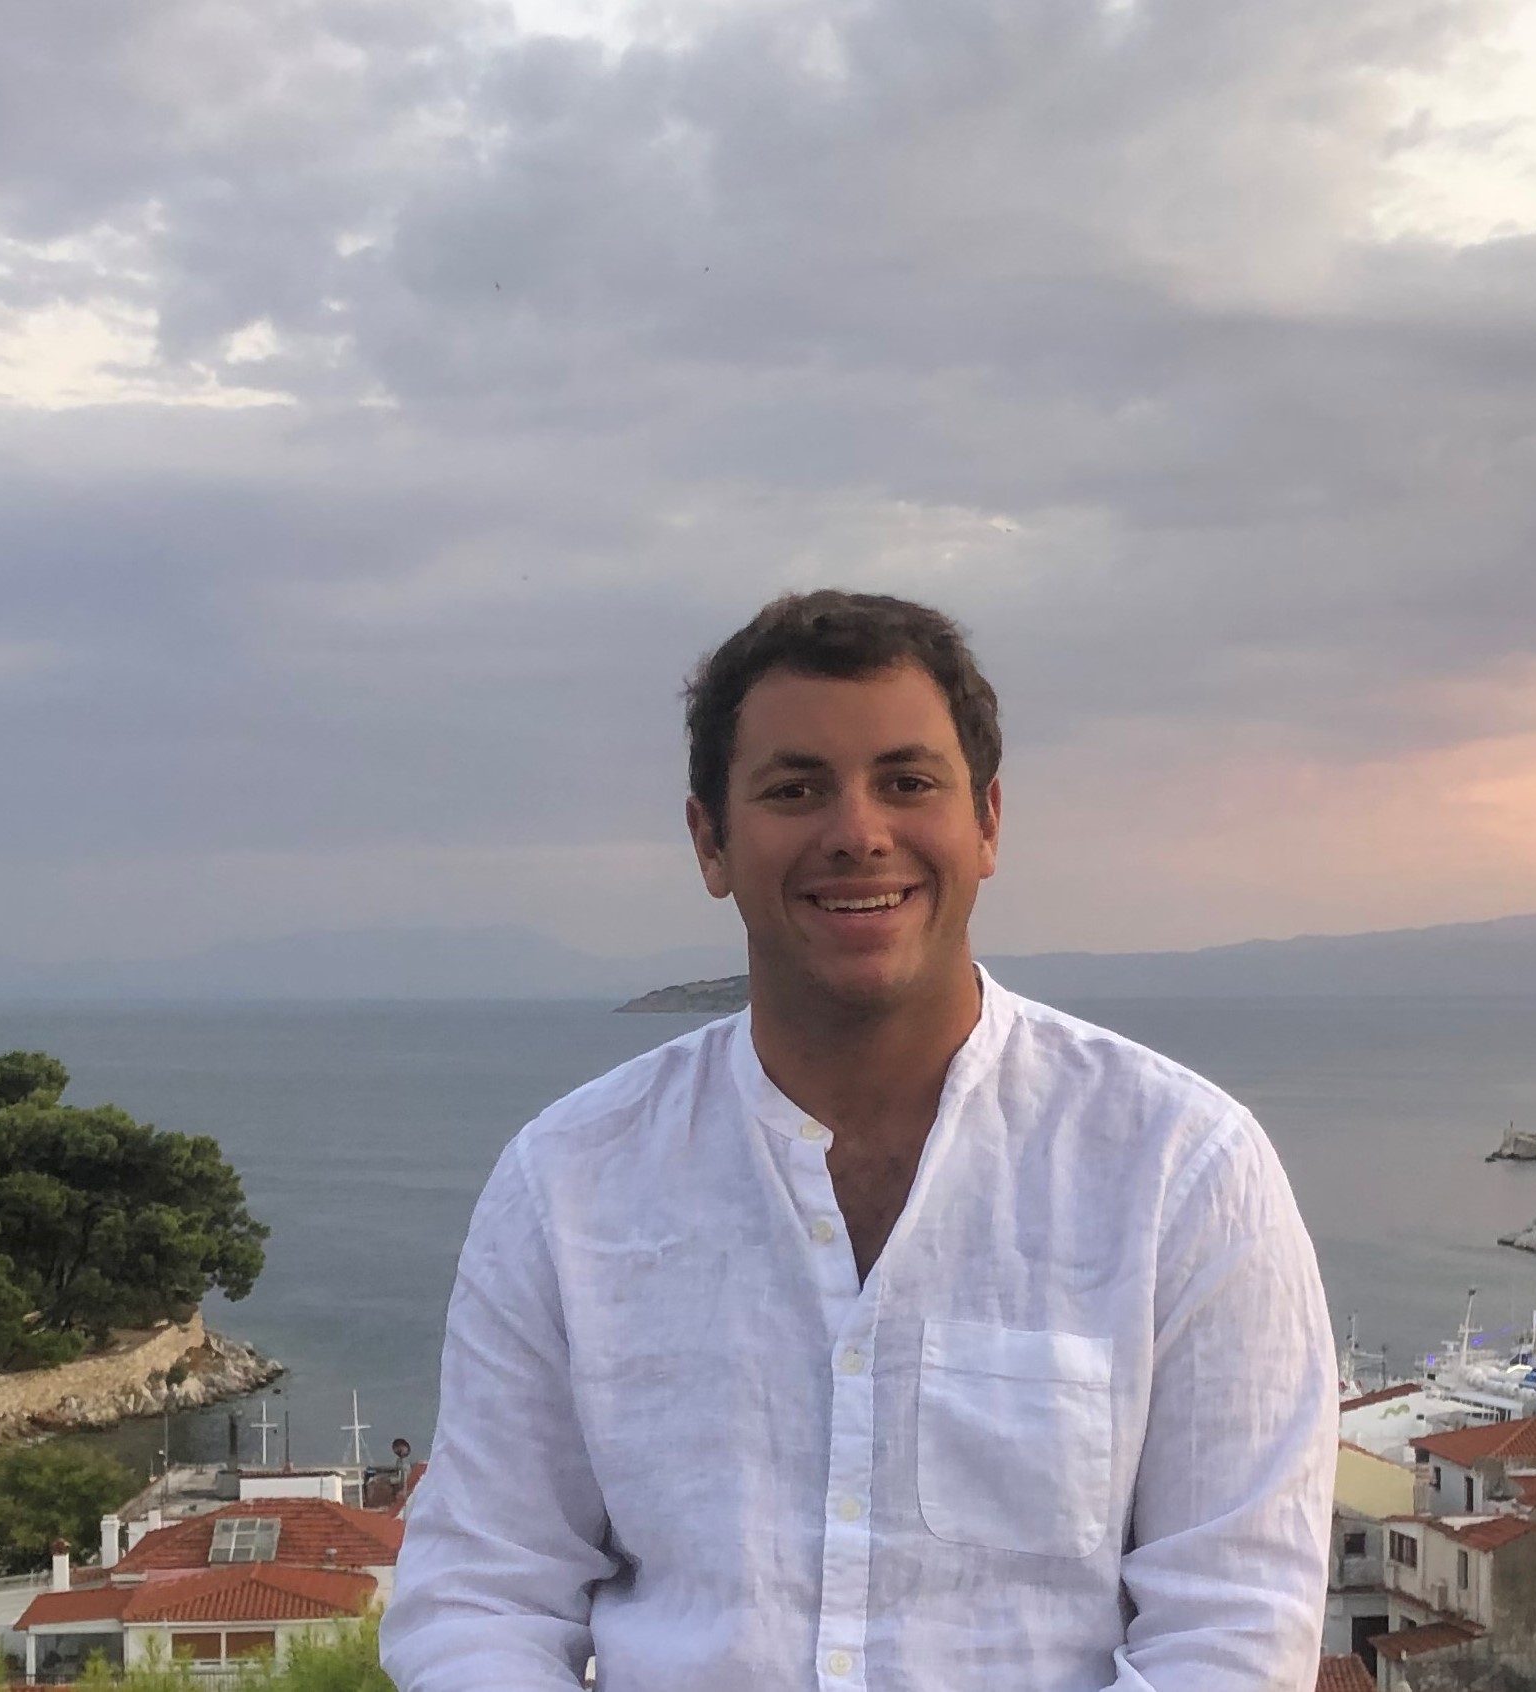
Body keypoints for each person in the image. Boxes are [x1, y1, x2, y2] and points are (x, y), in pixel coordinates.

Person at [382, 590, 1338, 1692]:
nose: (858, 832)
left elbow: (1231, 1631)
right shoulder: (569, 1183)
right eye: (795, 789)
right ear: (710, 842)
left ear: (987, 823)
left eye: (907, 782)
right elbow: (484, 1595)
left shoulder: (1182, 1169)